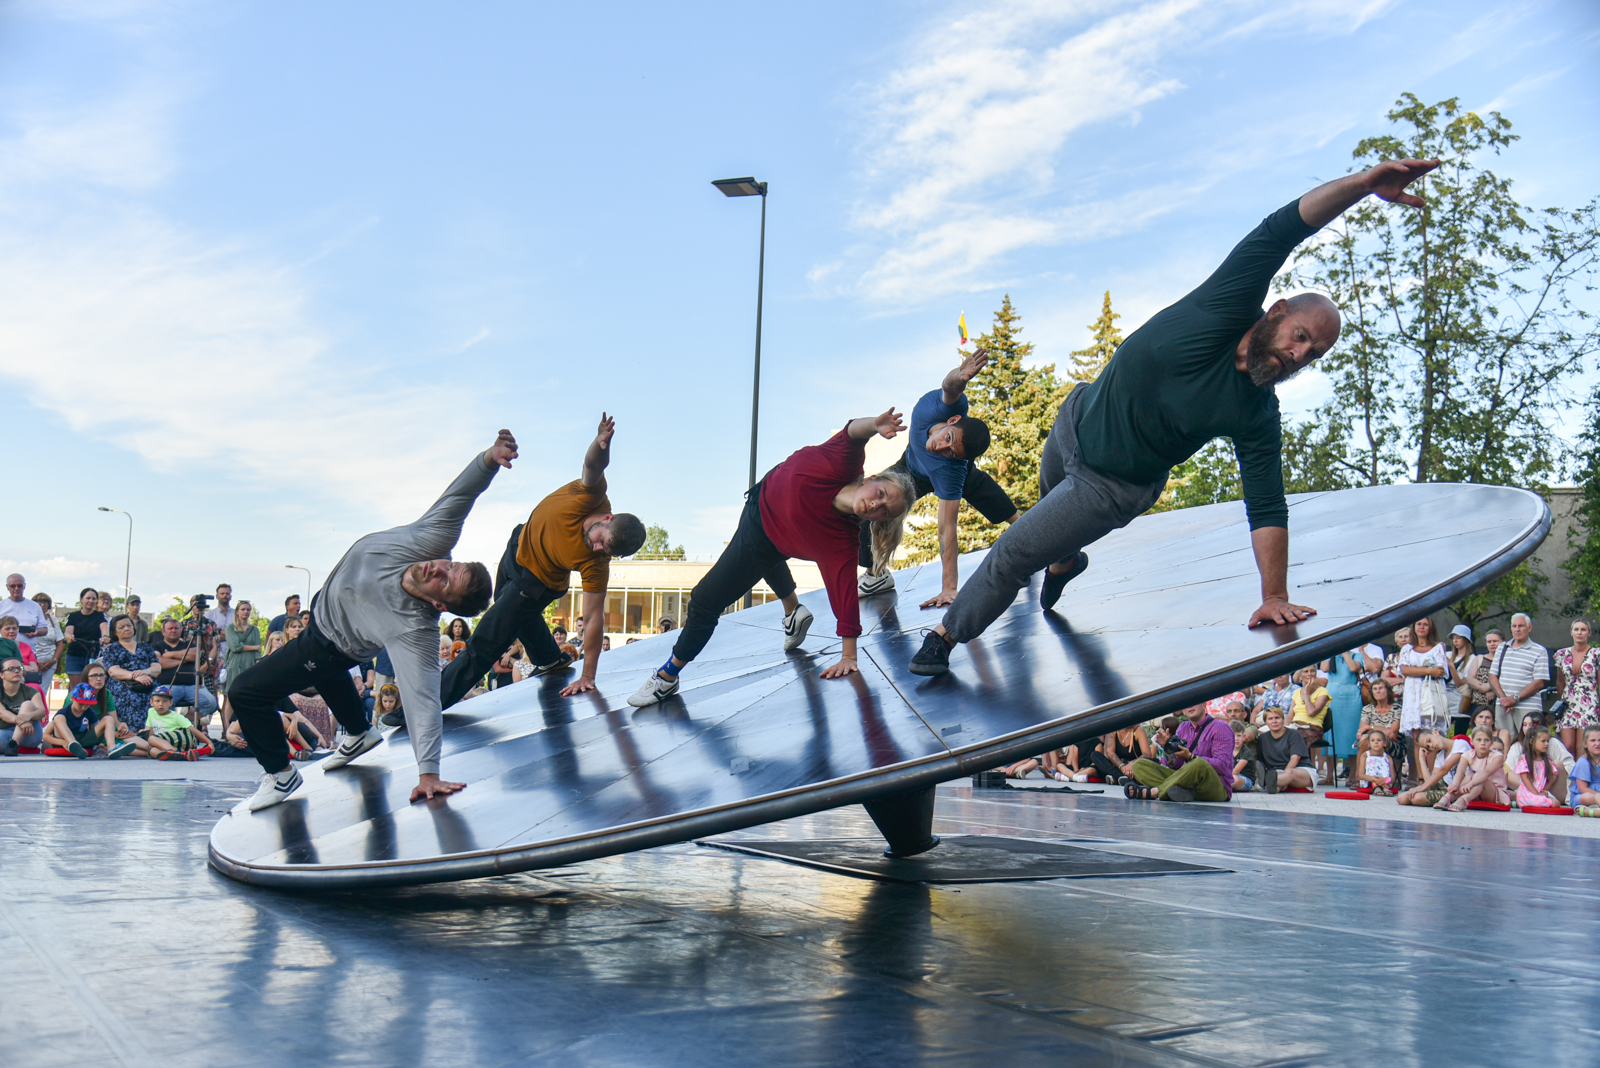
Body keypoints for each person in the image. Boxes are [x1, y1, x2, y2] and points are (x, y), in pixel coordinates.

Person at [906, 158, 1442, 677]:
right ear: (1277, 312)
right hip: (1076, 418)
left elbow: (1267, 506)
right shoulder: (1229, 301)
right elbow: (1281, 230)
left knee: (1016, 550)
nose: (1299, 355)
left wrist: (1274, 594)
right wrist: (1364, 184)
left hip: (1111, 487)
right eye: (1300, 336)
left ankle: (945, 637)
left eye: (1312, 354)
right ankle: (1065, 562)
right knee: (1049, 522)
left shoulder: (1256, 412)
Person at [231, 429, 515, 811]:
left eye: (445, 583)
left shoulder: (415, 629)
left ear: (440, 605)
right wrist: (490, 459)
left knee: (245, 692)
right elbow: (460, 497)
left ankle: (280, 774)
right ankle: (360, 732)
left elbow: (423, 699)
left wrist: (428, 773)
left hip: (328, 645)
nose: (437, 569)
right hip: (329, 614)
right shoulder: (431, 540)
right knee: (328, 672)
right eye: (451, 566)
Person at [628, 410, 915, 707]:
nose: (876, 504)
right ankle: (793, 611)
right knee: (766, 562)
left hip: (761, 539)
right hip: (759, 500)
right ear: (871, 479)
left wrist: (849, 656)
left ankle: (667, 677)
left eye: (884, 511)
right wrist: (875, 424)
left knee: (704, 601)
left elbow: (846, 599)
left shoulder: (841, 542)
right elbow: (854, 432)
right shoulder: (842, 461)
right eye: (881, 493)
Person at [441, 415, 645, 709]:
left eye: (606, 551)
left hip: (536, 583)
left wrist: (588, 675)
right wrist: (600, 443)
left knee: (488, 638)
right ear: (607, 517)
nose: (597, 548)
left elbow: (593, 619)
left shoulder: (597, 564)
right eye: (601, 539)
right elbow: (593, 465)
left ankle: (429, 703)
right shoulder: (591, 496)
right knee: (510, 610)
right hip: (517, 546)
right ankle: (548, 658)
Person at [857, 351, 1013, 606]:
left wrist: (949, 588)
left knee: (983, 491)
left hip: (948, 474)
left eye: (951, 451)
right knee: (871, 500)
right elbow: (950, 388)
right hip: (911, 468)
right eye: (947, 438)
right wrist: (959, 376)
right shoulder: (933, 409)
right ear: (952, 420)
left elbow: (946, 529)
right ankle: (876, 574)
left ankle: (1029, 533)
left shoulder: (952, 470)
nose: (940, 447)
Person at [1324, 645, 1381, 779]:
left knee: (1352, 734)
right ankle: (1329, 776)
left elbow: (1353, 668)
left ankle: (1353, 775)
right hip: (1333, 696)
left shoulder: (1357, 655)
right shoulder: (1332, 656)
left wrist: (1344, 652)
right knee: (1331, 734)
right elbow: (1324, 668)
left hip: (1351, 697)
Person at [1489, 612, 1550, 736]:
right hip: (1503, 706)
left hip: (1528, 706)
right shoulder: (1502, 647)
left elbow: (1539, 682)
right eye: (1514, 626)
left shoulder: (1539, 650)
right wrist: (1504, 699)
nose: (1517, 629)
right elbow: (1492, 675)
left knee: (1530, 740)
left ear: (1529, 628)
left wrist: (1514, 699)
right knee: (1503, 741)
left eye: (1521, 626)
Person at [101, 614, 162, 732]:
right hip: (123, 685)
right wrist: (134, 676)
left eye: (129, 625)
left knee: (161, 696)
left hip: (147, 682)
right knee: (132, 697)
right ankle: (132, 734)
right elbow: (113, 671)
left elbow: (157, 667)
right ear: (115, 632)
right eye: (121, 627)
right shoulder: (112, 649)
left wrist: (145, 672)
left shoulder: (146, 647)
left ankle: (156, 733)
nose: (126, 629)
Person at [154, 614, 218, 727]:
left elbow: (194, 655)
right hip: (168, 685)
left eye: (176, 628)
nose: (173, 630)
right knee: (162, 705)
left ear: (181, 630)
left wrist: (169, 654)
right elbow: (160, 663)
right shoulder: (156, 646)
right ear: (163, 632)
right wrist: (184, 659)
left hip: (192, 685)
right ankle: (169, 729)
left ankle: (182, 722)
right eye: (170, 628)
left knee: (211, 703)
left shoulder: (189, 644)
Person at [44, 682, 134, 759]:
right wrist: (62, 742)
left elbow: (94, 731)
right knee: (59, 718)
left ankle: (112, 747)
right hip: (64, 741)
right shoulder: (64, 712)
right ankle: (73, 744)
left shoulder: (89, 712)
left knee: (108, 719)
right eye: (80, 704)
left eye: (87, 704)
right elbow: (46, 736)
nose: (84, 708)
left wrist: (98, 743)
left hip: (82, 739)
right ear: (72, 698)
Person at [1435, 727, 1510, 811]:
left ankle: (1463, 800)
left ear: (1491, 743)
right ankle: (1447, 798)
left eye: (1486, 740)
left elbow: (1486, 772)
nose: (1482, 743)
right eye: (1479, 740)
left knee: (1479, 778)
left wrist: (1471, 783)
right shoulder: (1467, 755)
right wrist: (1455, 784)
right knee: (1467, 777)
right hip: (1475, 790)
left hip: (1493, 793)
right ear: (1472, 742)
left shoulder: (1497, 756)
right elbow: (1460, 771)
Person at [1555, 619, 1597, 760]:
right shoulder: (1562, 654)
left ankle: (1581, 774)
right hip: (1568, 704)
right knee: (1567, 746)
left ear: (1589, 633)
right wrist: (1560, 702)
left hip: (1589, 704)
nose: (1579, 632)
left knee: (1582, 748)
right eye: (1576, 629)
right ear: (1571, 632)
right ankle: (1569, 774)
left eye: (1583, 629)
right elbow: (1560, 681)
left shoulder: (1596, 654)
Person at [220, 601, 262, 733]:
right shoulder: (231, 628)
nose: (246, 612)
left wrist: (258, 664)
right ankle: (227, 730)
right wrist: (254, 647)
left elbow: (258, 651)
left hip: (250, 665)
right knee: (230, 698)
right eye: (243, 609)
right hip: (235, 665)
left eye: (248, 609)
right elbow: (235, 647)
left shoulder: (254, 629)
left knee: (248, 697)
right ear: (237, 612)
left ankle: (245, 729)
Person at [1256, 706, 1315, 793]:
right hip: (1277, 772)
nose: (1274, 721)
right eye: (1270, 719)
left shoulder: (1294, 734)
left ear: (1283, 720)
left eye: (1277, 718)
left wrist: (1285, 774)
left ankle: (1270, 782)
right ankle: (1274, 785)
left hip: (1300, 770)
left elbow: (1295, 758)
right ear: (1266, 722)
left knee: (1289, 773)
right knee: (1276, 779)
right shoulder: (1262, 739)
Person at [1507, 724, 1567, 810]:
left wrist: (1544, 790)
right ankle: (1527, 802)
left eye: (1547, 741)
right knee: (1548, 802)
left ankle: (1540, 801)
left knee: (1555, 803)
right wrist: (1536, 793)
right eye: (1543, 741)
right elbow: (1525, 779)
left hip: (1540, 794)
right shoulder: (1524, 759)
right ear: (1532, 741)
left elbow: (1553, 775)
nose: (1547, 744)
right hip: (1527, 793)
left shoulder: (1547, 759)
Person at [1288, 666, 1331, 782]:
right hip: (1296, 726)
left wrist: (1306, 694)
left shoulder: (1323, 691)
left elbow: (1311, 712)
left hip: (1312, 727)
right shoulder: (1297, 692)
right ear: (1300, 675)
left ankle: (1297, 772)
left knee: (1296, 737)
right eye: (1306, 671)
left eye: (1312, 671)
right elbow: (1290, 716)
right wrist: (1285, 728)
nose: (1310, 674)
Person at [141, 685, 207, 760]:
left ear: (171, 703)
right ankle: (183, 756)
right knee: (152, 750)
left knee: (152, 739)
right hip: (169, 743)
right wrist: (152, 744)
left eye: (165, 701)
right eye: (157, 701)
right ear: (151, 702)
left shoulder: (176, 716)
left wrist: (209, 743)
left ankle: (174, 752)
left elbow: (193, 729)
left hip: (183, 739)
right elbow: (151, 731)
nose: (161, 704)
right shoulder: (151, 712)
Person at [0, 656, 48, 756]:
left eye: (19, 668)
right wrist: (23, 722)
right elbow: (2, 713)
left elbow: (41, 711)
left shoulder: (32, 691)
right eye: (11, 669)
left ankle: (14, 744)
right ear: (2, 675)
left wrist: (28, 716)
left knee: (28, 704)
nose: (16, 671)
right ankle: (12, 746)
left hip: (29, 734)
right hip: (5, 732)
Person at [62, 587, 108, 689]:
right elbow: (68, 631)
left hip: (93, 655)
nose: (91, 601)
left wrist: (105, 637)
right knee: (77, 688)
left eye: (93, 599)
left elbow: (104, 628)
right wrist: (69, 636)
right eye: (88, 598)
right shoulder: (73, 616)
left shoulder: (100, 615)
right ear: (81, 600)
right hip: (75, 655)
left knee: (95, 685)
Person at [2, 574, 50, 656]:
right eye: (13, 586)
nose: (16, 588)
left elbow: (44, 629)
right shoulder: (1, 605)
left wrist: (37, 632)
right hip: (5, 654)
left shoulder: (35, 606)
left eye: (19, 585)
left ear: (24, 586)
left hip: (29, 654)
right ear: (7, 587)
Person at [29, 592, 63, 690]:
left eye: (45, 602)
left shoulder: (53, 620)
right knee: (31, 690)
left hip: (50, 662)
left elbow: (60, 643)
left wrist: (54, 660)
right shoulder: (29, 619)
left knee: (43, 691)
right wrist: (36, 663)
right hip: (31, 662)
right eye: (39, 602)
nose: (42, 605)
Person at [1351, 728, 1396, 795]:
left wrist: (1385, 780)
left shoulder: (1388, 757)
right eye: (1373, 740)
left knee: (1384, 763)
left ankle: (1385, 787)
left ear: (1384, 743)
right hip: (1369, 780)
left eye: (1379, 740)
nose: (1376, 742)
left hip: (1384, 781)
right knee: (1371, 761)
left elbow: (1393, 777)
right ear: (1369, 744)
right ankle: (1375, 786)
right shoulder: (1365, 756)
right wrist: (1375, 779)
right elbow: (1361, 775)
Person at [1228, 719, 1258, 792]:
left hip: (1245, 779)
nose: (1236, 739)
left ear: (1243, 737)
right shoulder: (1226, 750)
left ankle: (1222, 786)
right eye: (1233, 736)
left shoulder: (1246, 752)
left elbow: (1236, 771)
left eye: (1239, 736)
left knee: (1234, 779)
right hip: (1229, 776)